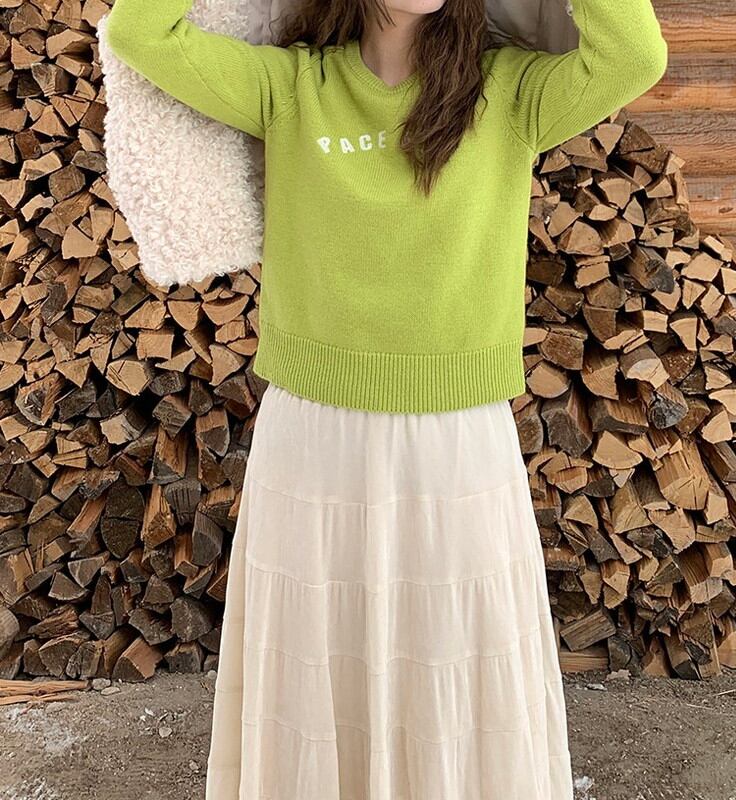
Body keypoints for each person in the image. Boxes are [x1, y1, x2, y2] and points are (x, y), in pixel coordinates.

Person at [103, 1, 668, 797]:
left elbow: (635, 54)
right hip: (313, 436)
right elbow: (138, 33)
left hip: (457, 440)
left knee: (452, 667)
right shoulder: (291, 88)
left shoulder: (509, 91)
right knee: (316, 668)